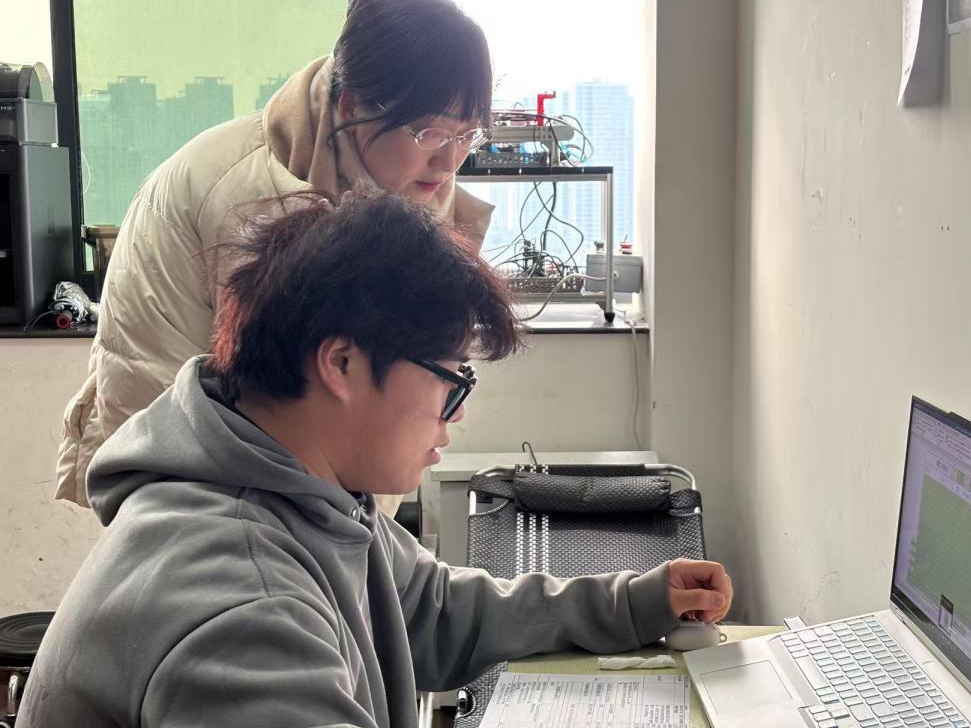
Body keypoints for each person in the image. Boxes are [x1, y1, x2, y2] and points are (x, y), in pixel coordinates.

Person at [20, 192, 733, 728]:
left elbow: (437, 609)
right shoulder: (244, 604)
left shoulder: (305, 493)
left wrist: (635, 601)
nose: (457, 414)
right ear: (342, 363)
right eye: (451, 379)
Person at [55, 0, 497, 518]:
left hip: (289, 467)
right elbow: (285, 409)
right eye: (430, 133)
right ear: (351, 105)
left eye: (468, 135)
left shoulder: (405, 174)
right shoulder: (249, 198)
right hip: (187, 456)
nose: (450, 161)